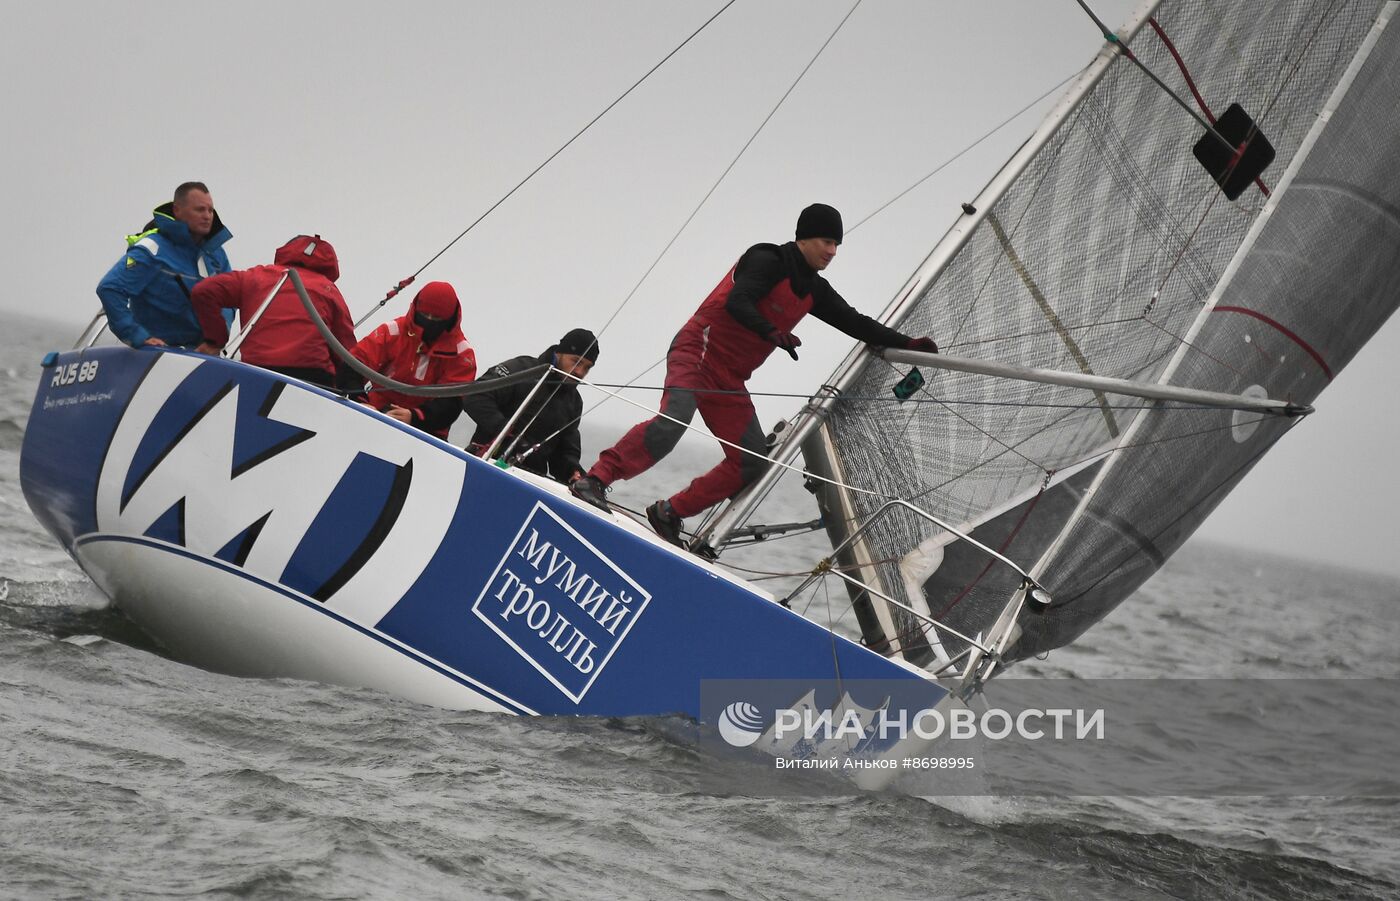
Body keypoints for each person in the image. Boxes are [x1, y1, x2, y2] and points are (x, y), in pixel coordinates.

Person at [570, 203, 938, 548]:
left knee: (751, 460)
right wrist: (771, 331)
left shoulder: (814, 290)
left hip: (729, 377)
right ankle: (595, 479)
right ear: (805, 238)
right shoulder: (767, 258)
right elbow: (739, 300)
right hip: (698, 349)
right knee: (673, 422)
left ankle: (669, 512)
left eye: (837, 245)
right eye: (828, 242)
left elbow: (856, 322)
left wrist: (909, 343)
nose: (833, 252)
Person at [189, 235, 355, 388]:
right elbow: (348, 352)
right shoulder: (329, 290)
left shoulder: (255, 277)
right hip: (312, 380)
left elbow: (203, 291)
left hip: (255, 373)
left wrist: (215, 341)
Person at [96, 182, 233, 348]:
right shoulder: (151, 250)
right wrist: (137, 336)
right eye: (200, 209)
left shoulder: (217, 255)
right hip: (155, 357)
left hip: (200, 358)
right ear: (177, 210)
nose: (207, 216)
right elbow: (110, 289)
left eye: (210, 210)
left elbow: (228, 300)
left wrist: (215, 341)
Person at [462, 328, 600, 483]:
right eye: (576, 362)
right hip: (486, 462)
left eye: (587, 367)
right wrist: (505, 429)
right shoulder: (522, 369)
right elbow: (476, 396)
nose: (580, 372)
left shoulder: (574, 402)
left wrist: (573, 472)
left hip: (529, 482)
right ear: (559, 353)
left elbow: (564, 452)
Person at [346, 281, 477, 439]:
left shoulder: (462, 355)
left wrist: (414, 417)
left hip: (425, 433)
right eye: (424, 315)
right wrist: (361, 403)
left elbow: (450, 405)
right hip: (373, 415)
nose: (428, 321)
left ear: (449, 319)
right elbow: (353, 366)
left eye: (436, 318)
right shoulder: (392, 332)